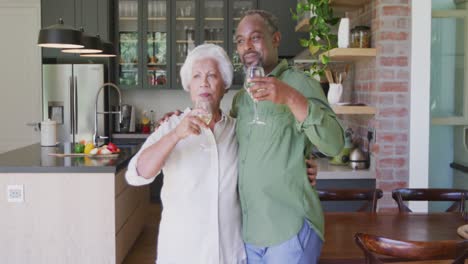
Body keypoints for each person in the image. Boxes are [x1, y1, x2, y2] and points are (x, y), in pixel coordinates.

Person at [231, 10, 344, 263]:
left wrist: (290, 98)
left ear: (277, 39)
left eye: (255, 37)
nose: (247, 46)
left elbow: (335, 143)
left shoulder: (301, 83)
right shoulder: (241, 100)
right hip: (250, 231)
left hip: (289, 228)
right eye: (240, 40)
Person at [125, 44, 246, 264]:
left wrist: (306, 167)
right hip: (182, 252)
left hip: (229, 251)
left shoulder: (238, 130)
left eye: (212, 75)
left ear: (225, 85)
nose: (204, 82)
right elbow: (137, 174)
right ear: (189, 86)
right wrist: (175, 135)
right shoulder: (171, 125)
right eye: (197, 76)